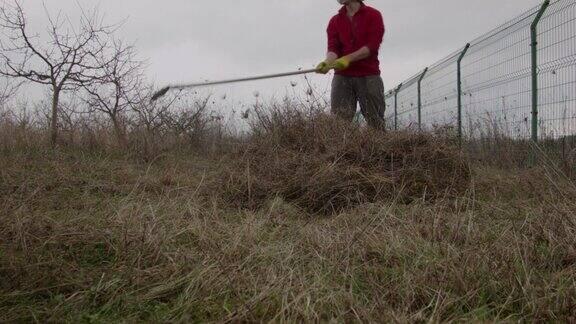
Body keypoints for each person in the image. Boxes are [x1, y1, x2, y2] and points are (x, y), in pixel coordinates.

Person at [316, 0, 386, 129]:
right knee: (338, 125)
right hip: (342, 77)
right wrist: (327, 63)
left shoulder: (374, 15)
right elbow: (333, 49)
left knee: (376, 123)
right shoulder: (335, 21)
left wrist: (347, 59)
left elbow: (372, 47)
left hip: (369, 75)